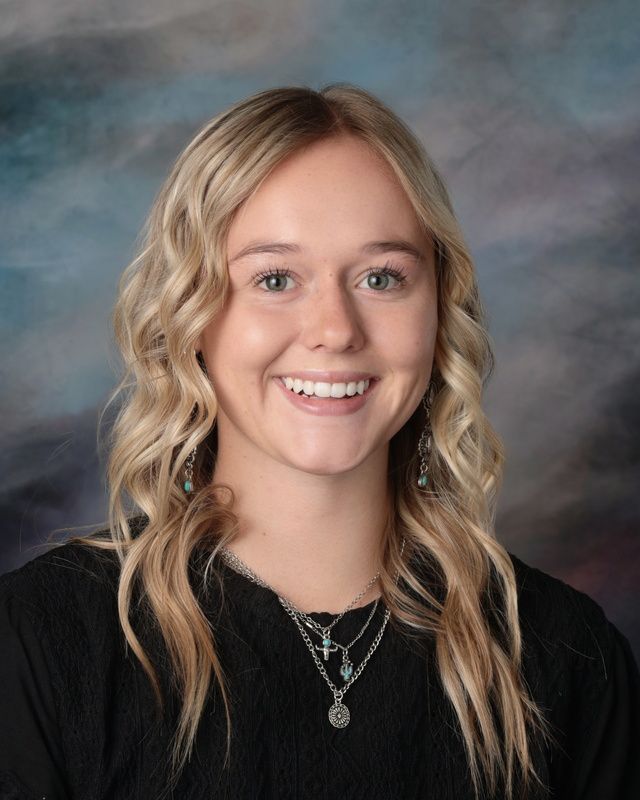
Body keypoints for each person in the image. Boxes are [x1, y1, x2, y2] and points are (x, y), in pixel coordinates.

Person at [0, 84, 638, 800]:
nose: (335, 329)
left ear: (439, 311)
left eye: (381, 277)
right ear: (191, 316)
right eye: (275, 278)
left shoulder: (564, 658)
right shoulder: (42, 643)